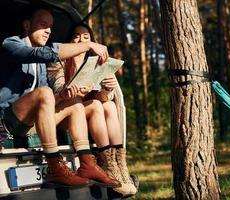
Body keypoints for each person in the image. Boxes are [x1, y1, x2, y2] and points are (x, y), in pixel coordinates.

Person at [0, 5, 120, 188]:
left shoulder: (41, 66)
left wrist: (63, 95)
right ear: (27, 25)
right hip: (8, 120)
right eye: (43, 24)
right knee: (46, 92)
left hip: (32, 121)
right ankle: (55, 167)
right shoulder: (11, 44)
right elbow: (42, 56)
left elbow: (46, 101)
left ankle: (87, 163)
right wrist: (87, 44)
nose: (48, 30)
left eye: (50, 26)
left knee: (75, 103)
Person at [47, 23, 137, 195]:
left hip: (89, 114)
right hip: (67, 112)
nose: (81, 40)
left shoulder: (96, 63)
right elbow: (58, 89)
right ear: (69, 40)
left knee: (109, 105)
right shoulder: (59, 61)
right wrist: (73, 91)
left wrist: (107, 89)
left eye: (86, 37)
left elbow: (103, 99)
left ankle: (118, 165)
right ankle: (107, 164)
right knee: (96, 105)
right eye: (76, 36)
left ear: (92, 41)